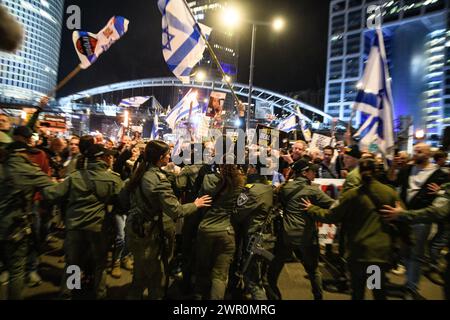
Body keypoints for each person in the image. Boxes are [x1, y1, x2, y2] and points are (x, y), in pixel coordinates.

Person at [301, 158, 401, 300]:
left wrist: (312, 209)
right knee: (377, 290)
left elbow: (332, 216)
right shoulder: (389, 193)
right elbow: (402, 216)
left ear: (359, 173)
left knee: (358, 292)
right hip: (378, 253)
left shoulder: (352, 195)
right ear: (376, 172)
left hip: (359, 252)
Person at [124, 140, 211, 299]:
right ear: (161, 157)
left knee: (139, 275)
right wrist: (195, 204)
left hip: (135, 229)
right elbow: (176, 210)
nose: (170, 156)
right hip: (150, 235)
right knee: (157, 278)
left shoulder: (140, 171)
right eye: (167, 154)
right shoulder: (158, 179)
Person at [42, 144, 123, 299]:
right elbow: (123, 202)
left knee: (73, 262)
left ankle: (70, 293)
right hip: (98, 227)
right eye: (108, 155)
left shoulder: (75, 176)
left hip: (75, 226)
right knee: (100, 264)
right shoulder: (113, 179)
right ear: (101, 158)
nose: (110, 158)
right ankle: (99, 294)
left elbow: (53, 194)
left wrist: (43, 182)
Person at [268, 158, 335, 300]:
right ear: (305, 173)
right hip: (307, 236)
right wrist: (314, 209)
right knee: (313, 271)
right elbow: (333, 205)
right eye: (312, 171)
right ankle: (318, 297)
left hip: (286, 235)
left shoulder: (285, 188)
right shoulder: (313, 191)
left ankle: (274, 297)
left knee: (274, 270)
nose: (315, 174)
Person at [391, 142, 450, 299]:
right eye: (415, 150)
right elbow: (394, 185)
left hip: (421, 219)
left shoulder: (440, 174)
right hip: (402, 216)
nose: (416, 153)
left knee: (416, 254)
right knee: (404, 251)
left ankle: (411, 287)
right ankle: (408, 283)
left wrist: (441, 191)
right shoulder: (407, 169)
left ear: (428, 154)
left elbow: (445, 194)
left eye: (420, 151)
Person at [0, 139, 54, 299]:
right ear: (22, 154)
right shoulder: (26, 169)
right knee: (16, 271)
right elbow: (52, 190)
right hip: (12, 228)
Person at [380, 183, 450, 299]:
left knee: (370, 279)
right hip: (377, 245)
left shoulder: (358, 193)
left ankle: (377, 290)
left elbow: (436, 212)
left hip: (370, 246)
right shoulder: (386, 191)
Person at [193, 156, 245, 300]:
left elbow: (201, 200)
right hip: (226, 231)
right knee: (220, 274)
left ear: (219, 165)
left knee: (202, 267)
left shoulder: (208, 179)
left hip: (206, 228)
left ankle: (198, 296)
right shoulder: (240, 182)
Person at [231, 162, 274, 300]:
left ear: (255, 169)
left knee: (253, 282)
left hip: (254, 239)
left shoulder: (253, 191)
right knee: (263, 279)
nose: (247, 170)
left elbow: (237, 213)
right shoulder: (269, 188)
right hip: (267, 240)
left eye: (250, 167)